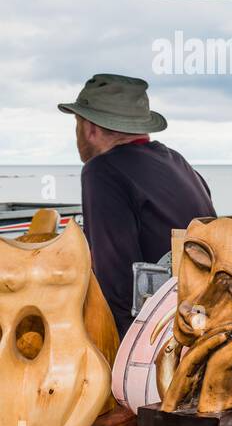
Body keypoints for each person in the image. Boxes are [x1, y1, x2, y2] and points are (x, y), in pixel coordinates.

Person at [57, 74, 216, 337]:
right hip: (201, 316)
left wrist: (120, 355)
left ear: (89, 128)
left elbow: (115, 282)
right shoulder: (177, 161)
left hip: (159, 331)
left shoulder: (102, 171)